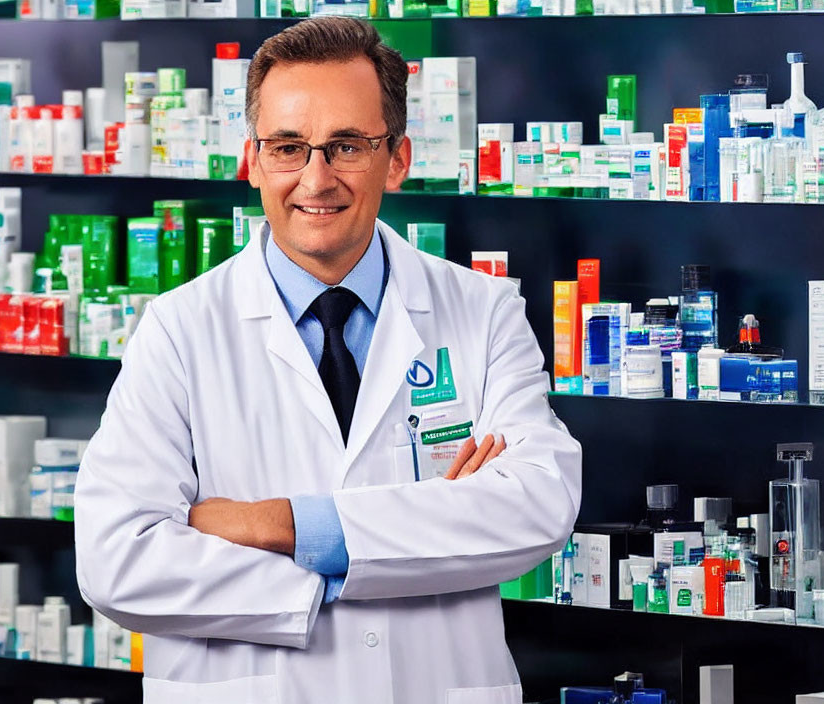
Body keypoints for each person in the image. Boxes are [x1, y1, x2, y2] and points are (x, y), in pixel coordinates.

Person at [74, 16, 581, 704]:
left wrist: (276, 525)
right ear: (252, 160)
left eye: (346, 146)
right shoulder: (178, 330)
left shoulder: (482, 311)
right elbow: (118, 560)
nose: (316, 178)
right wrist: (348, 571)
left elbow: (534, 506)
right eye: (288, 147)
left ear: (396, 158)